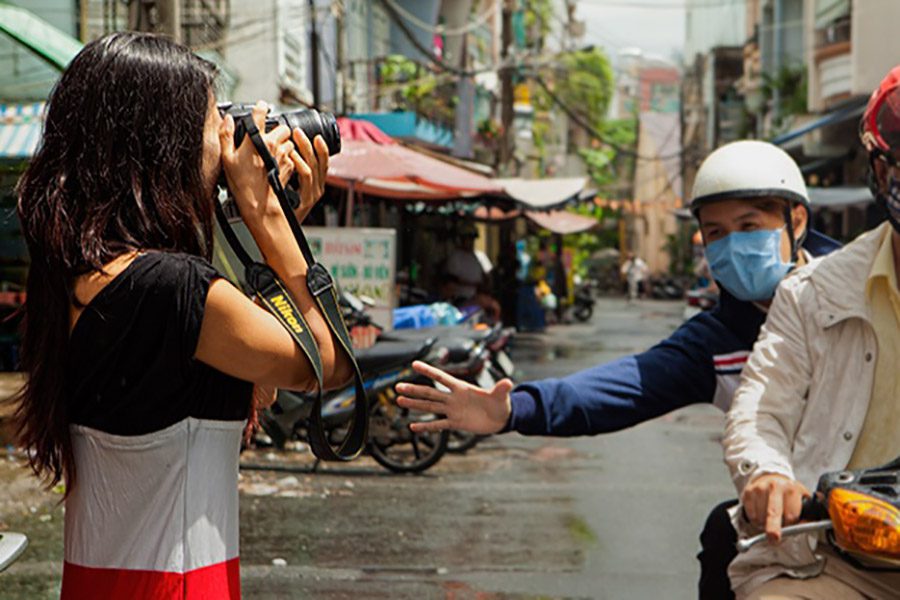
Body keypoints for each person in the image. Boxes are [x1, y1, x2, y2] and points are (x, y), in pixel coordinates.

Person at [395, 140, 841, 599]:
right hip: (789, 525)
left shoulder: (861, 289)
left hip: (881, 507)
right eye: (716, 234)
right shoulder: (715, 341)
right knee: (723, 537)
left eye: (749, 226)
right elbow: (623, 385)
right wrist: (514, 410)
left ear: (797, 220)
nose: (733, 246)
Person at [11, 33, 349, 599]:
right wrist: (271, 224)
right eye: (214, 119)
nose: (227, 137)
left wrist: (264, 229)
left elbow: (257, 384)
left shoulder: (83, 280)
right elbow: (325, 365)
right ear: (160, 142)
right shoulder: (170, 289)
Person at [722, 66, 900, 600]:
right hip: (834, 561)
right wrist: (767, 474)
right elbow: (760, 408)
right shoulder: (812, 291)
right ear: (879, 170)